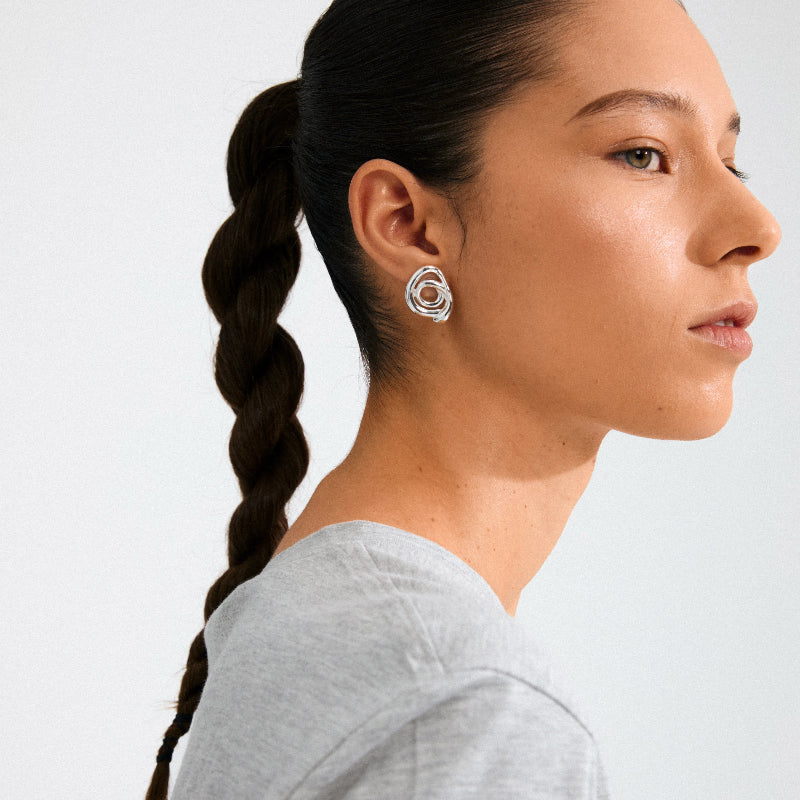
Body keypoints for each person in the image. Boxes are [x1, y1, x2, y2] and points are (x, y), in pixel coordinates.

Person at [145, 0, 781, 797]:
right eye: (643, 153)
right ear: (409, 226)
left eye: (731, 160)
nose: (756, 225)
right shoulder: (459, 705)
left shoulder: (328, 626)